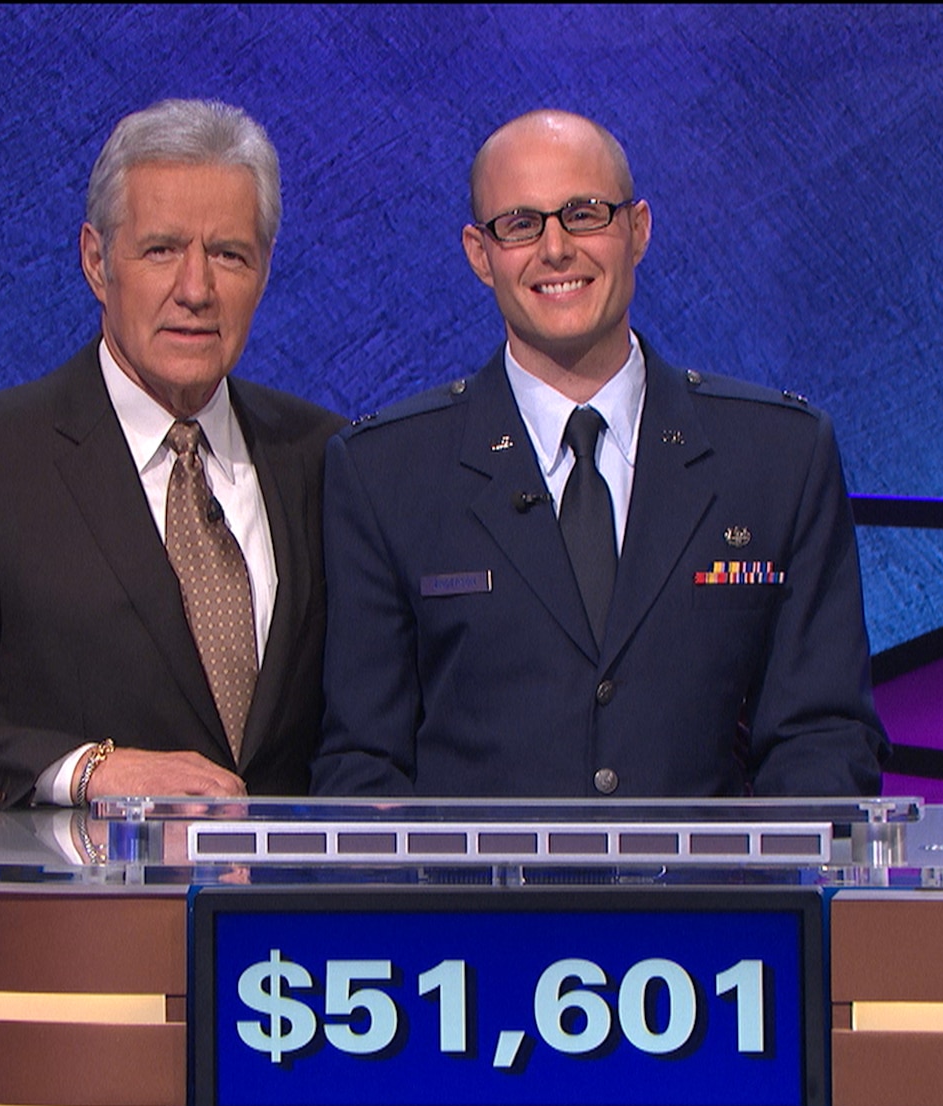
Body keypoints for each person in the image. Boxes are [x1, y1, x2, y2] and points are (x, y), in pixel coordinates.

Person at [311, 109, 886, 798]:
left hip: (709, 903)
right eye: (521, 224)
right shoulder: (386, 472)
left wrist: (762, 900)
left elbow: (821, 738)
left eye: (584, 214)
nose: (555, 249)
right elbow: (363, 766)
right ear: (478, 253)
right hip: (476, 905)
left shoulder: (777, 456)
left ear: (637, 229)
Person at [0, 99, 344, 807]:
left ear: (264, 270)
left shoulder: (327, 456)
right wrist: (85, 770)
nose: (196, 290)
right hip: (70, 909)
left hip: (275, 915)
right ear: (97, 263)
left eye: (228, 254)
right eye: (161, 250)